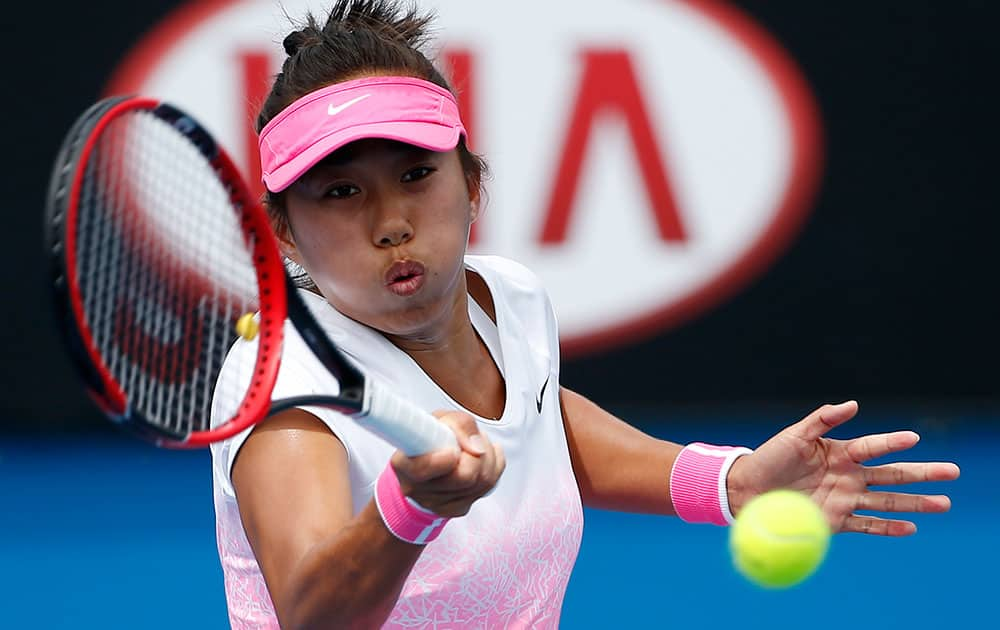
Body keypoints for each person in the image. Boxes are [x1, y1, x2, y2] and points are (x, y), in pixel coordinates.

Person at [209, 1, 961, 628]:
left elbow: (539, 423)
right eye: (340, 192)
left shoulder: (510, 300)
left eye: (415, 175)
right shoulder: (287, 386)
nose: (390, 222)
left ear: (472, 184)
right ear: (285, 231)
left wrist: (728, 484)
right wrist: (408, 507)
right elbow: (309, 613)